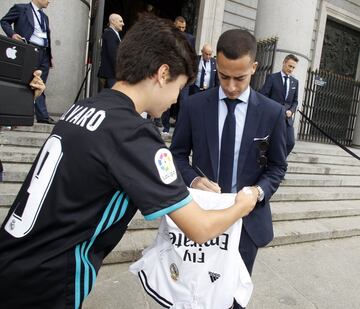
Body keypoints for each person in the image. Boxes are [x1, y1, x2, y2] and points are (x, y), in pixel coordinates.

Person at [0, 15, 258, 309]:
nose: (176, 100)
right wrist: (242, 204)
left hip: (13, 259)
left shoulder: (84, 106)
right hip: (48, 282)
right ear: (163, 74)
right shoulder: (133, 134)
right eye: (180, 87)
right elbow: (198, 228)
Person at [170, 29, 287, 309]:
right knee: (194, 295)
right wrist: (194, 179)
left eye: (240, 78)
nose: (232, 86)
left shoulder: (272, 113)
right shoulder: (195, 106)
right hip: (201, 219)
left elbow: (277, 166)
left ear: (254, 69)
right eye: (224, 77)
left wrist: (258, 192)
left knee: (233, 300)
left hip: (247, 226)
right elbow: (176, 156)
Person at [0, 0, 55, 125]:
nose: (49, 1)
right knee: (24, 82)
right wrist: (12, 34)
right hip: (29, 49)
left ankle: (42, 116)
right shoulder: (20, 8)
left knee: (41, 85)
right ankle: (14, 113)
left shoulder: (44, 17)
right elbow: (4, 21)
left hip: (44, 53)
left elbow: (46, 37)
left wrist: (49, 56)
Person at [260, 54, 299, 155]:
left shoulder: (295, 82)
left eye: (293, 67)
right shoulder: (272, 78)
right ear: (284, 63)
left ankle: (279, 161)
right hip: (273, 117)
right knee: (270, 143)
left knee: (290, 142)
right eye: (289, 66)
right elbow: (264, 96)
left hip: (287, 119)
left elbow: (295, 101)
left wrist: (292, 110)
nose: (291, 69)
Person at [97, 13, 124, 89]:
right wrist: (120, 72)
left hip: (111, 74)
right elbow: (113, 54)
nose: (123, 24)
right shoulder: (110, 34)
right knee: (110, 98)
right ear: (113, 21)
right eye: (120, 21)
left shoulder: (113, 34)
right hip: (110, 75)